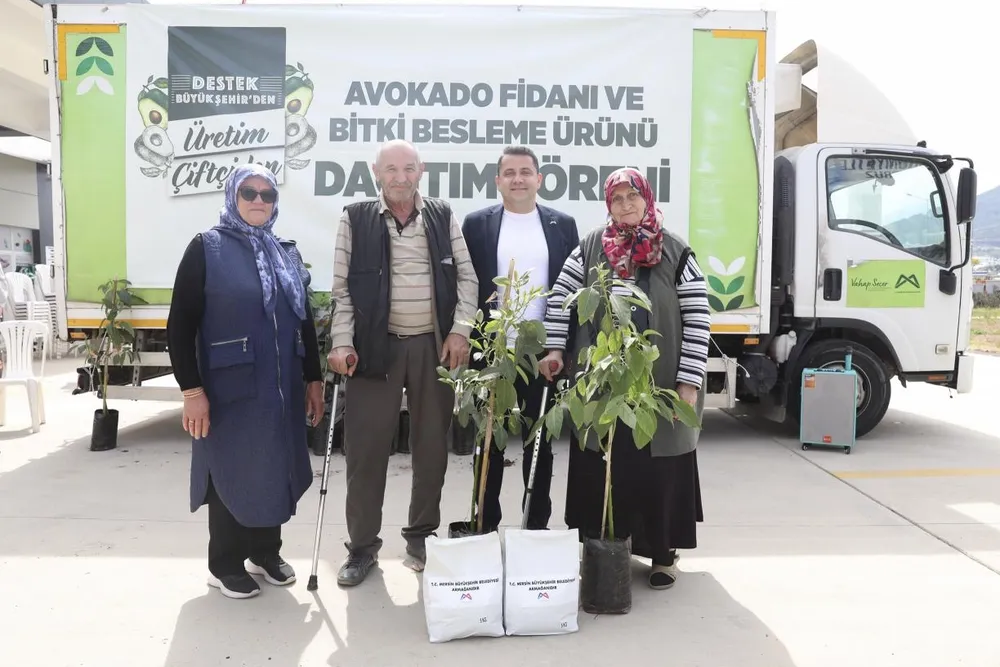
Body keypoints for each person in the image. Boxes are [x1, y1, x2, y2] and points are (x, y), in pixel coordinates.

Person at [539, 167, 710, 590]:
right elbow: (561, 299)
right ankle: (602, 548)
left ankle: (662, 554)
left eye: (633, 196)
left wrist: (688, 382)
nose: (626, 204)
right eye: (617, 198)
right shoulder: (590, 247)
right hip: (602, 380)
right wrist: (555, 349)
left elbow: (698, 317)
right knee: (602, 457)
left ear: (647, 199)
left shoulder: (675, 251)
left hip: (661, 382)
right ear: (608, 205)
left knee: (659, 462)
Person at [166, 164, 324, 600]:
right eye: (249, 192)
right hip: (228, 389)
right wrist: (192, 391)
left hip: (281, 387)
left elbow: (304, 320)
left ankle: (264, 553)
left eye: (267, 194)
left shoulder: (285, 252)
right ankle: (225, 564)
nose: (258, 200)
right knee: (233, 469)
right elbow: (179, 325)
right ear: (232, 197)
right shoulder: (207, 248)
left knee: (274, 465)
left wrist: (313, 378)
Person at [328, 139, 479, 586]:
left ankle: (421, 537)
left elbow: (467, 277)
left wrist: (460, 330)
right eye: (390, 169)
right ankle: (361, 548)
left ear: (421, 171)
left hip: (433, 349)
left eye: (408, 168)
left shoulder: (442, 215)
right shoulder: (355, 218)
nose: (400, 177)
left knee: (431, 449)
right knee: (366, 452)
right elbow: (341, 290)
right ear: (375, 172)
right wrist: (342, 341)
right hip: (374, 348)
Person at [461, 145, 579, 531]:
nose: (518, 179)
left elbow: (570, 291)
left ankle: (535, 527)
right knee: (488, 443)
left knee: (539, 444)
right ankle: (484, 524)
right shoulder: (476, 224)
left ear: (539, 179)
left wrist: (559, 347)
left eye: (525, 172)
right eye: (509, 173)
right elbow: (465, 284)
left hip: (542, 353)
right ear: (497, 181)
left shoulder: (562, 225)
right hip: (491, 350)